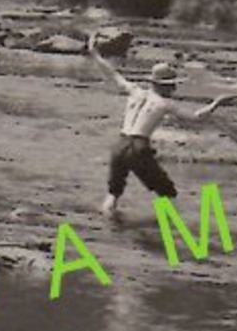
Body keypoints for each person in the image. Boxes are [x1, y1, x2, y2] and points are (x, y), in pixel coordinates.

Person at [87, 37, 228, 221]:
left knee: (114, 192)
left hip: (119, 145)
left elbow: (112, 74)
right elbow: (197, 117)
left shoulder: (135, 91)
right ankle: (166, 229)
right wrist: (216, 104)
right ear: (164, 85)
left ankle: (107, 223)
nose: (175, 88)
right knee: (167, 192)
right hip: (138, 148)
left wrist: (95, 54)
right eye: (173, 85)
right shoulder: (164, 103)